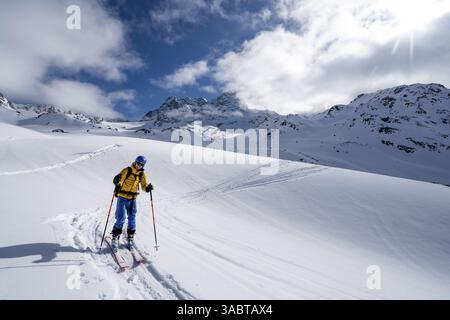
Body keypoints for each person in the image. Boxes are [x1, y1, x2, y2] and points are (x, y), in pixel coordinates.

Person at [111, 155, 153, 250]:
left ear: (143, 165)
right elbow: (120, 180)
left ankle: (130, 237)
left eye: (141, 165)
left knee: (132, 217)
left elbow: (143, 185)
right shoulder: (127, 170)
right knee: (121, 217)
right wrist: (117, 183)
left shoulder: (142, 174)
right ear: (135, 162)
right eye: (138, 163)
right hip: (122, 197)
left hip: (133, 198)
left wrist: (147, 188)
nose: (138, 166)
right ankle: (115, 237)